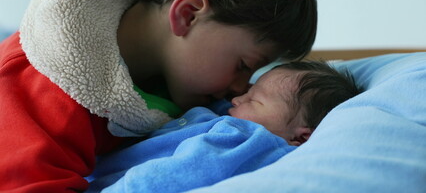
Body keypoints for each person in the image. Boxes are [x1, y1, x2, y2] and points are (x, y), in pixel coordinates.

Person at [0, 0, 317, 192]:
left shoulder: (175, 76)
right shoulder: (48, 86)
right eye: (243, 66)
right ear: (188, 14)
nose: (239, 88)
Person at [85, 60, 362, 192]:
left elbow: (173, 176)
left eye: (254, 99)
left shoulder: (246, 139)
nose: (239, 96)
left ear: (299, 138)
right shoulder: (230, 114)